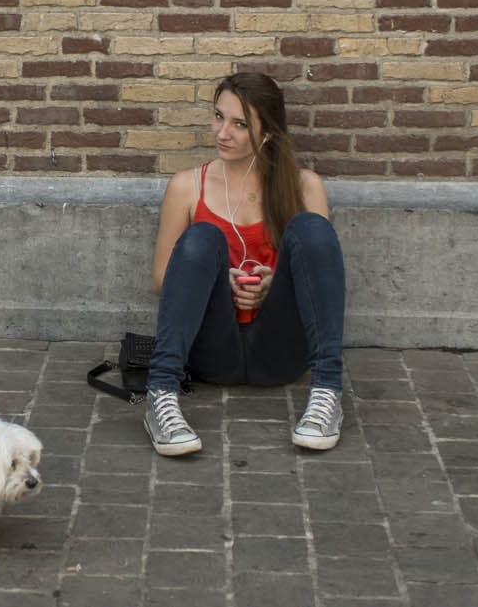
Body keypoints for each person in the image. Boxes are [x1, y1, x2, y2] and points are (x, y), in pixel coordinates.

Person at [142, 72, 348, 456]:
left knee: (311, 228)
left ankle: (327, 391)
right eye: (219, 117)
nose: (223, 132)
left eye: (239, 124)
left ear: (267, 133)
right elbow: (160, 281)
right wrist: (223, 284)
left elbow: (319, 280)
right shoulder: (188, 186)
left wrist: (271, 288)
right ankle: (161, 394)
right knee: (203, 236)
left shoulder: (304, 186)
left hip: (280, 350)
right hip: (212, 349)